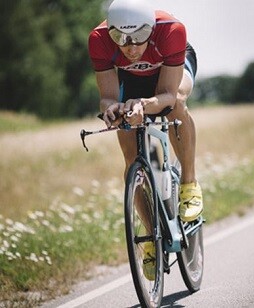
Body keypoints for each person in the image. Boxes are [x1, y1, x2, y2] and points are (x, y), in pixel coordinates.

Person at [88, 0, 203, 279]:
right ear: (110, 32)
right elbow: (107, 96)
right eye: (120, 38)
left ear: (150, 29)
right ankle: (150, 238)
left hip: (169, 71)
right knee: (129, 153)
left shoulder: (170, 30)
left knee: (176, 103)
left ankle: (189, 184)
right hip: (133, 76)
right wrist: (112, 109)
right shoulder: (99, 39)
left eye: (139, 36)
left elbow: (165, 93)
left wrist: (145, 104)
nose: (130, 46)